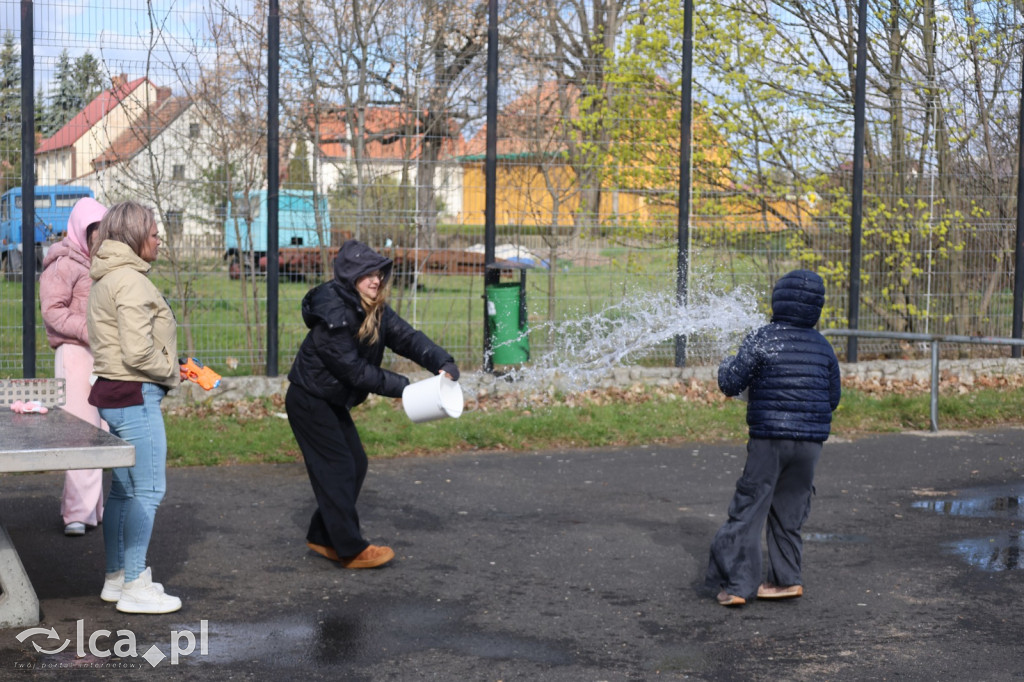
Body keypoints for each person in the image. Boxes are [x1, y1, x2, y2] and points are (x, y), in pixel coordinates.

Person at [286, 239, 460, 569]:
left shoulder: (372, 307)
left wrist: (442, 362)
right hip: (309, 400)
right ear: (352, 277)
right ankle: (350, 549)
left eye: (378, 273)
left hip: (329, 398)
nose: (376, 280)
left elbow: (406, 337)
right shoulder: (334, 314)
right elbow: (355, 372)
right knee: (338, 468)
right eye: (368, 274)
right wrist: (406, 388)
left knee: (355, 463)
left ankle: (323, 535)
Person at [704, 269, 841, 607]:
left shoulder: (763, 337)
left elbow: (732, 383)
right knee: (790, 511)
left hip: (769, 439)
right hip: (809, 445)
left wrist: (725, 364)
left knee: (750, 508)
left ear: (778, 300)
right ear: (817, 307)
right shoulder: (823, 347)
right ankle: (785, 579)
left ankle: (737, 585)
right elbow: (832, 398)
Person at [87, 201, 181, 614]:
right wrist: (171, 371)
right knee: (149, 489)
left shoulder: (107, 276)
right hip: (136, 393)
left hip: (113, 391)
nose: (160, 238)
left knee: (123, 491)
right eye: (154, 231)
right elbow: (138, 351)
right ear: (134, 235)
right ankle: (135, 585)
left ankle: (117, 577)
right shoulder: (132, 281)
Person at [39, 197, 108, 536]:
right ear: (83, 231)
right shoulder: (63, 263)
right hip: (74, 353)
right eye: (95, 231)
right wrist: (87, 329)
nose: (101, 237)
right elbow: (51, 310)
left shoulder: (94, 262)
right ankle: (76, 513)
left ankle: (89, 508)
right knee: (81, 430)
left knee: (98, 430)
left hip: (96, 352)